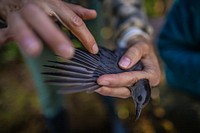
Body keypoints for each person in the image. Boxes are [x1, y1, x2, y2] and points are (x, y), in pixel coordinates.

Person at [0, 0, 160, 132]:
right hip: (26, 13)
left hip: (85, 6)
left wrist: (136, 35)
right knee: (49, 84)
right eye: (138, 99)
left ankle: (113, 118)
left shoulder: (136, 73)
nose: (137, 104)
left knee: (103, 80)